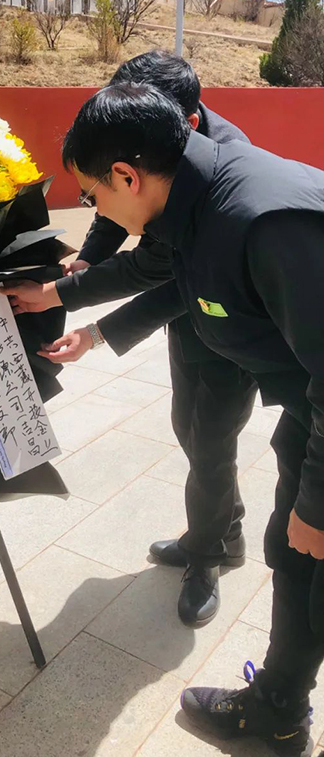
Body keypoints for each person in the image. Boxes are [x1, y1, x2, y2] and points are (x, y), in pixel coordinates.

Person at [32, 81, 324, 755]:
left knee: (309, 557)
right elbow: (180, 284)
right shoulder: (197, 200)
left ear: (126, 176)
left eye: (92, 195)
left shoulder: (259, 220)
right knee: (297, 558)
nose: (96, 211)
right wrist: (89, 328)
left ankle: (278, 713)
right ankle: (279, 710)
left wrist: (317, 499)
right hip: (308, 409)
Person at [2, 51, 258, 629]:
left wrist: (73, 309)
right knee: (189, 425)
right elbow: (114, 204)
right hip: (190, 318)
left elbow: (161, 271)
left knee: (211, 441)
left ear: (181, 122)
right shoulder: (148, 149)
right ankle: (225, 532)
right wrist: (88, 259)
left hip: (230, 324)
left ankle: (207, 557)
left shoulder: (221, 171)